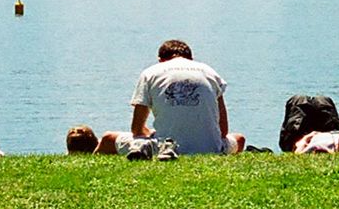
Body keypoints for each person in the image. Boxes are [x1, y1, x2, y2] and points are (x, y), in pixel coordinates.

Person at [99, 39, 245, 156]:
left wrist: (150, 133)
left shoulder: (150, 73)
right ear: (191, 59)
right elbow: (223, 130)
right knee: (239, 138)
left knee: (108, 138)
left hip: (164, 146)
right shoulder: (210, 73)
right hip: (211, 148)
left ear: (160, 60)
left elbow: (136, 129)